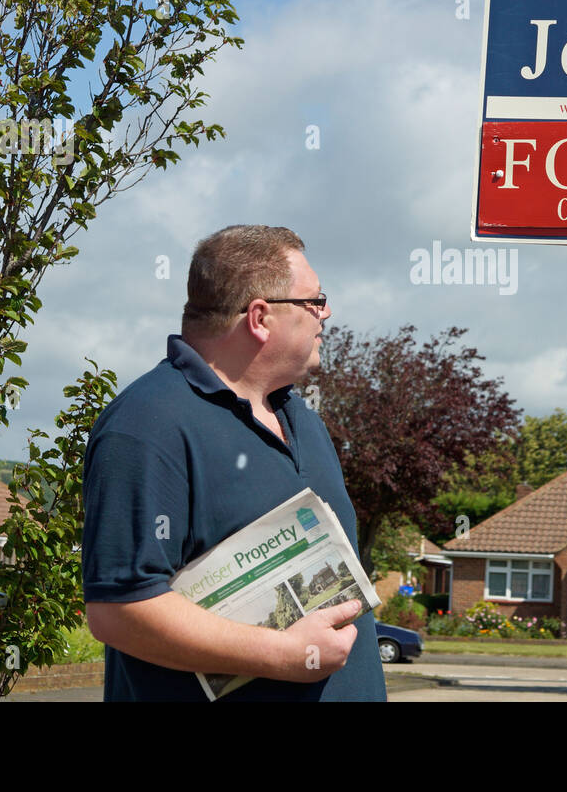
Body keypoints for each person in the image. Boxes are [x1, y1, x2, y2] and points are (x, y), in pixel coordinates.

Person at [82, 224, 386, 701]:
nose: (326, 313)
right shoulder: (146, 425)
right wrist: (285, 655)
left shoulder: (301, 417)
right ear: (260, 317)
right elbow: (117, 610)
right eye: (314, 301)